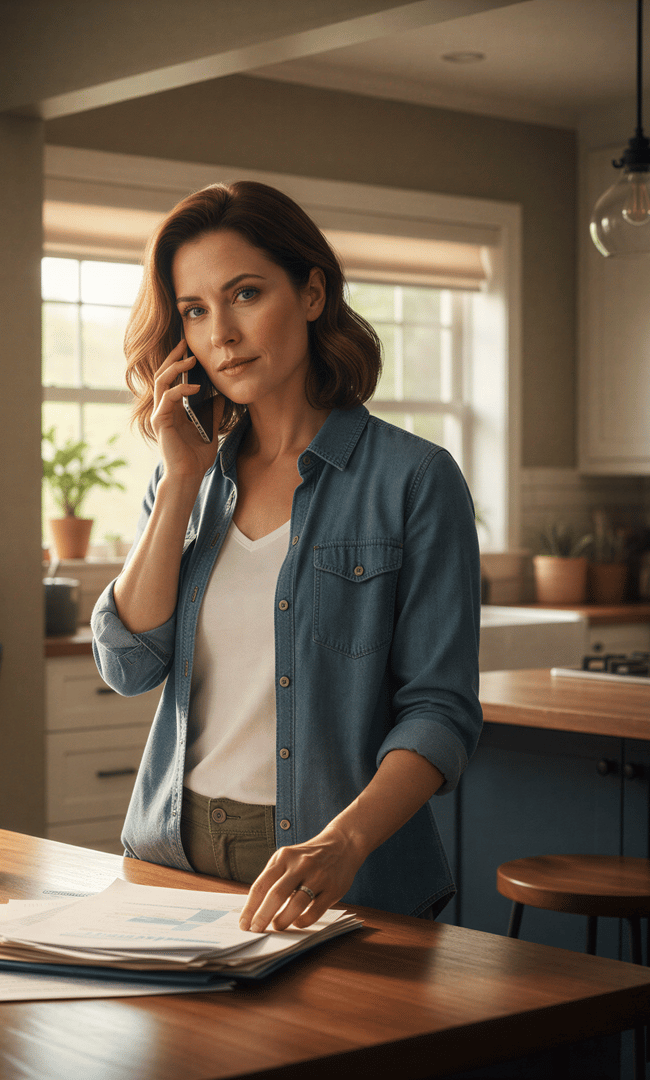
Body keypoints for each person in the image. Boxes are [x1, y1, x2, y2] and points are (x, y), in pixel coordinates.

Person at [91, 180, 482, 932]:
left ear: (310, 293)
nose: (221, 334)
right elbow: (128, 664)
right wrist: (179, 481)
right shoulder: (187, 480)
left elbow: (440, 712)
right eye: (195, 311)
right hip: (172, 865)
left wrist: (344, 842)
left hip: (343, 879)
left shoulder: (414, 481)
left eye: (244, 294)